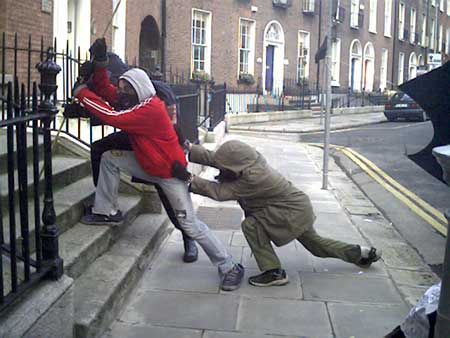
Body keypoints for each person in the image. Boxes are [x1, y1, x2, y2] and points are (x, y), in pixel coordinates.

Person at [72, 40, 244, 291]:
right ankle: (105, 210)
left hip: (169, 174)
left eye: (125, 89)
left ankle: (229, 266)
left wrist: (81, 93)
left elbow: (111, 116)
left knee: (189, 224)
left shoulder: (148, 110)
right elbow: (107, 92)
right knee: (109, 157)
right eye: (121, 88)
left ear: (138, 88)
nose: (120, 93)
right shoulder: (136, 101)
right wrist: (100, 65)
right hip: (149, 165)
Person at [172, 140, 382, 287]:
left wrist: (190, 178)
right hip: (296, 206)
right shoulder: (249, 159)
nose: (222, 166)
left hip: (290, 212)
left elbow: (219, 192)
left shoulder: (254, 178)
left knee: (251, 225)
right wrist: (189, 147)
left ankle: (274, 272)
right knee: (316, 246)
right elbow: (218, 158)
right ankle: (361, 253)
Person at [80, 45, 198, 263]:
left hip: (161, 148)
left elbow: (172, 124)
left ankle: (188, 236)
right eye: (117, 83)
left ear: (133, 83)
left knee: (169, 192)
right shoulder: (125, 90)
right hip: (137, 137)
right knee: (100, 149)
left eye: (120, 84)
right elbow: (104, 89)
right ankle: (103, 204)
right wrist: (100, 62)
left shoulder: (158, 93)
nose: (118, 88)